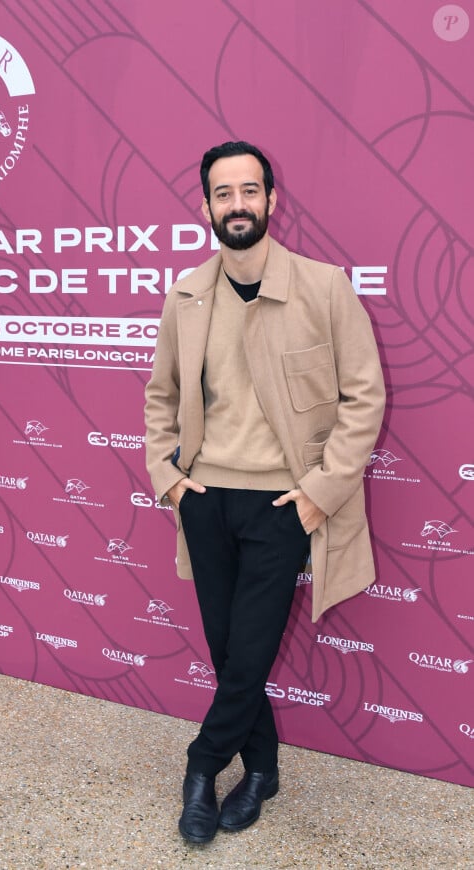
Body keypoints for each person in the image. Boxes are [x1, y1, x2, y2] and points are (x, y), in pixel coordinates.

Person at [144, 141, 385, 845]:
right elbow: (160, 396)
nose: (238, 204)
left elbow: (363, 398)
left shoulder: (323, 287)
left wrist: (319, 492)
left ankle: (201, 765)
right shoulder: (186, 294)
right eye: (224, 193)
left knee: (247, 652)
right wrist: (172, 480)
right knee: (230, 653)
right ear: (207, 206)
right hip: (206, 500)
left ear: (272, 201)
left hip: (284, 505)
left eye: (250, 191)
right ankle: (264, 771)